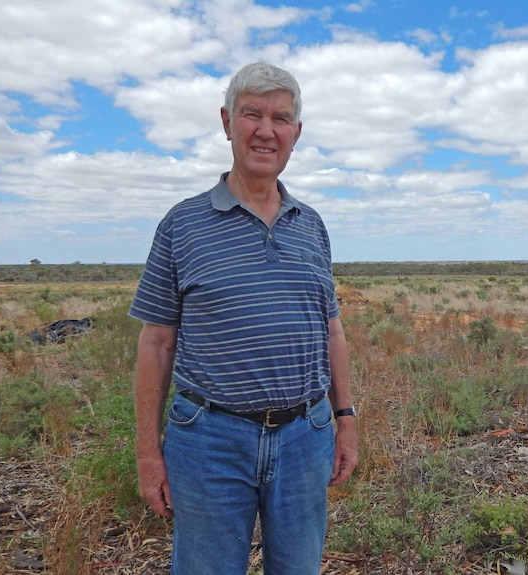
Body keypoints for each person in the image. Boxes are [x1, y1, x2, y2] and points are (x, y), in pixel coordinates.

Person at [130, 62, 358, 575]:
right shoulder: (182, 224)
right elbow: (157, 342)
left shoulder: (312, 226)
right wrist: (148, 452)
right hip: (209, 440)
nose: (265, 129)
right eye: (251, 114)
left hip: (305, 436)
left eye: (280, 118)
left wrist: (346, 422)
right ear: (227, 122)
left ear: (295, 134)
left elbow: (332, 329)